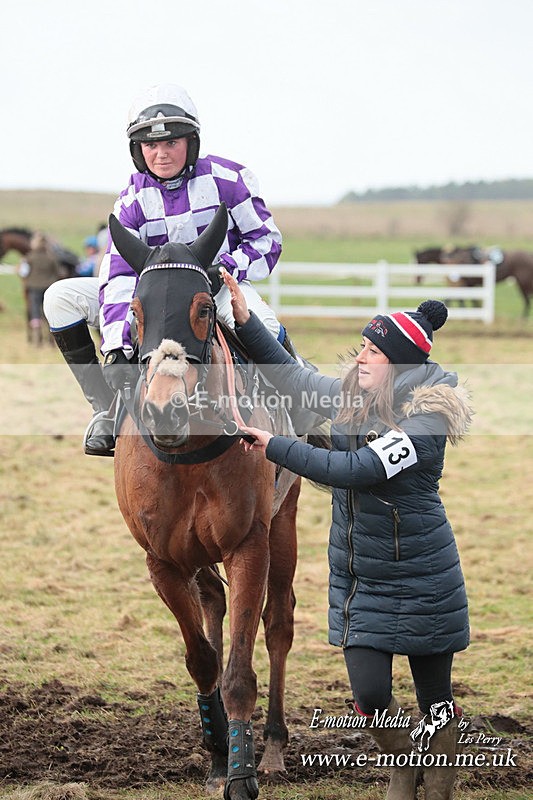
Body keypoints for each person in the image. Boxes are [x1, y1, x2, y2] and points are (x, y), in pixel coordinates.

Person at [223, 268, 472, 800]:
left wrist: (275, 446)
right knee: (370, 697)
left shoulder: (425, 422)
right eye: (360, 346)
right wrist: (245, 320)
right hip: (362, 582)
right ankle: (404, 764)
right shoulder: (352, 395)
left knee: (437, 703)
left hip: (424, 579)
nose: (360, 357)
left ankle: (440, 789)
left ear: (399, 363)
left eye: (371, 351)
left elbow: (355, 469)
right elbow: (292, 377)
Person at [43, 83, 285, 456]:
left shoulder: (230, 180)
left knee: (265, 328)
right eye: (150, 145)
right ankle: (106, 408)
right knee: (58, 298)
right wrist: (119, 343)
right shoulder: (131, 198)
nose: (160, 154)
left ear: (192, 142)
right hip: (150, 299)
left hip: (216, 288)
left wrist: (228, 267)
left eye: (171, 143)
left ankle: (296, 407)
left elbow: (267, 240)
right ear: (137, 150)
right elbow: (119, 276)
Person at [20, 232, 63, 346]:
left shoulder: (29, 258)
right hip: (49, 288)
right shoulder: (51, 257)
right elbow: (59, 272)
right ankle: (51, 340)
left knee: (35, 312)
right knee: (48, 313)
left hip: (33, 288)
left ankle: (37, 339)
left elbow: (23, 273)